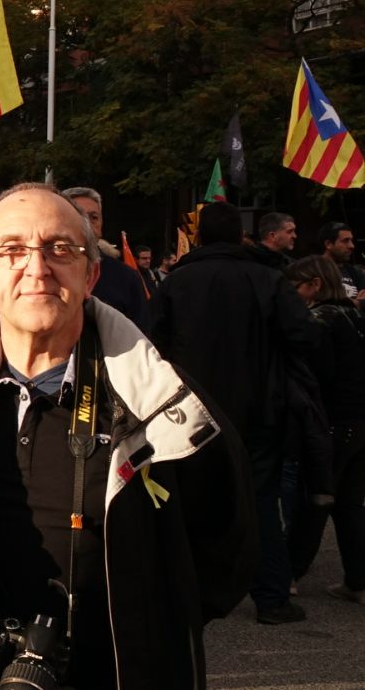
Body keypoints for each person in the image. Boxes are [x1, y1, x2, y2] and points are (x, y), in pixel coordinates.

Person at [0, 184, 255, 688]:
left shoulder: (165, 403)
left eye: (60, 249)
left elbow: (227, 546)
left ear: (91, 274)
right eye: (10, 250)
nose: (37, 268)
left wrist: (148, 630)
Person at [150, 201, 312, 624]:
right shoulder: (267, 278)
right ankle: (272, 597)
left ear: (199, 235)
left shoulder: (177, 282)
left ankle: (193, 592)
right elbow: (302, 336)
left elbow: (154, 343)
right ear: (241, 237)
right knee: (261, 502)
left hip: (192, 411)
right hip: (259, 408)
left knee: (192, 499)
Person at [283, 255, 365, 604]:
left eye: (296, 285)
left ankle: (289, 574)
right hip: (359, 421)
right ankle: (358, 580)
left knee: (317, 498)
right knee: (349, 504)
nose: (292, 293)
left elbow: (317, 378)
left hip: (332, 422)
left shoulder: (318, 322)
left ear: (314, 284)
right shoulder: (357, 317)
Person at [60, 187, 149, 327]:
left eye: (93, 217)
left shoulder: (126, 277)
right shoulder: (41, 271)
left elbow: (141, 335)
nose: (87, 224)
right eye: (78, 216)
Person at [321, 221, 365, 299]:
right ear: (328, 244)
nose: (352, 246)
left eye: (351, 240)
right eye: (345, 241)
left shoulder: (355, 273)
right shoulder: (313, 270)